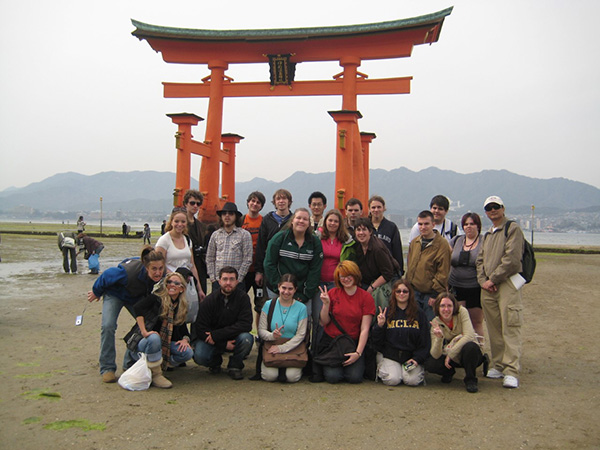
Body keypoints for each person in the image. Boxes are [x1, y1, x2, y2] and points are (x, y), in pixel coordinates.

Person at [87, 246, 166, 383]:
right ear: (146, 267)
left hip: (135, 297)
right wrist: (96, 291)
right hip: (115, 294)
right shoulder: (127, 273)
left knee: (147, 323)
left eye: (160, 268)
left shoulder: (161, 275)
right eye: (154, 269)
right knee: (108, 326)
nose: (158, 272)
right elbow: (107, 275)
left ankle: (129, 362)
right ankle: (107, 368)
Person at [476, 195, 525, 389]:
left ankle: (511, 370)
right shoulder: (488, 235)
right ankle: (497, 363)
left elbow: (512, 259)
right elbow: (480, 260)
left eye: (496, 206)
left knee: (510, 326)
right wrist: (483, 281)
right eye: (489, 208)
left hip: (506, 285)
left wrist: (493, 279)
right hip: (488, 288)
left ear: (503, 208)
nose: (492, 210)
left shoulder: (512, 229)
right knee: (494, 328)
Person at [126, 272, 193, 389]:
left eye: (176, 283)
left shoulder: (180, 306)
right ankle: (156, 374)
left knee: (187, 352)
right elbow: (138, 308)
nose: (172, 285)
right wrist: (144, 331)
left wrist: (185, 340)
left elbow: (183, 331)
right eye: (169, 282)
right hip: (145, 342)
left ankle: (159, 365)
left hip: (163, 346)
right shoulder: (156, 298)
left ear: (182, 288)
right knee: (154, 338)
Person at [313, 261, 375, 383]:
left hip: (352, 342)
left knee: (354, 378)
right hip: (332, 342)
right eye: (342, 277)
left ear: (356, 275)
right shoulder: (333, 293)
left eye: (349, 276)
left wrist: (358, 353)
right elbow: (324, 322)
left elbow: (364, 329)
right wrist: (326, 304)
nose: (346, 279)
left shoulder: (365, 297)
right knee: (333, 377)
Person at [191, 266, 254, 380]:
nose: (228, 283)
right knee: (200, 355)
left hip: (232, 338)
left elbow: (246, 324)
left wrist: (217, 335)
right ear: (219, 281)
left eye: (231, 279)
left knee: (247, 339)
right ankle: (215, 362)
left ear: (237, 281)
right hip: (213, 341)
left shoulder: (243, 298)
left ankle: (235, 366)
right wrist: (223, 344)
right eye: (225, 279)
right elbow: (200, 328)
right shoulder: (209, 301)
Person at [263, 208, 323, 316]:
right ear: (292, 221)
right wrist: (281, 288)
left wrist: (305, 293)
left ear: (309, 223)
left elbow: (315, 269)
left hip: (302, 293)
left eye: (305, 219)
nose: (301, 221)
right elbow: (269, 264)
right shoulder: (279, 238)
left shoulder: (314, 242)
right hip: (279, 290)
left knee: (303, 322)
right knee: (276, 321)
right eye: (298, 218)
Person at [371, 279, 430, 386]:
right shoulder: (387, 312)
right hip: (390, 355)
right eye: (398, 291)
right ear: (394, 293)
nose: (401, 294)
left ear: (410, 293)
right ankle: (386, 368)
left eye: (405, 291)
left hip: (411, 356)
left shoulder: (419, 313)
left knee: (412, 381)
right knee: (393, 380)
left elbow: (425, 340)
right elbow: (376, 341)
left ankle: (407, 371)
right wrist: (379, 326)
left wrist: (417, 359)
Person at [425, 292, 487, 393]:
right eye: (442, 306)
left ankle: (470, 379)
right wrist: (439, 338)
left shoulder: (462, 312)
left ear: (454, 306)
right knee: (430, 363)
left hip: (467, 352)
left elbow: (469, 335)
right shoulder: (435, 323)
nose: (446, 309)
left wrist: (451, 354)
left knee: (470, 347)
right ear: (437, 308)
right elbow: (435, 354)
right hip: (451, 353)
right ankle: (448, 372)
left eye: (449, 306)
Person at [257, 274, 308, 383]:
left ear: (295, 290)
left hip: (293, 347)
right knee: (269, 376)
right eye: (284, 288)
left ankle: (287, 368)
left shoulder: (301, 308)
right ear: (279, 286)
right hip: (272, 345)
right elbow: (261, 331)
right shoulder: (268, 305)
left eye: (290, 289)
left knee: (292, 377)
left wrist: (282, 348)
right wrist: (272, 335)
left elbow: (301, 335)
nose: (286, 292)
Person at [405, 210, 451, 321]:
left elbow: (443, 272)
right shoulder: (415, 242)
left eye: (426, 224)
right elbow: (410, 265)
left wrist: (435, 294)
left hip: (430, 294)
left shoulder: (442, 244)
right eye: (420, 224)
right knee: (414, 323)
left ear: (433, 224)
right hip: (414, 292)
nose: (423, 227)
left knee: (430, 325)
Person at [449, 212, 485, 342]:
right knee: (459, 320)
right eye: (466, 224)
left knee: (476, 322)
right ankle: (460, 349)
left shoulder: (484, 241)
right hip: (456, 285)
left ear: (478, 226)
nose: (469, 227)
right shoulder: (456, 240)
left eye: (472, 224)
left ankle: (479, 349)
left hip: (475, 287)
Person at [156, 207, 205, 300]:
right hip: (170, 285)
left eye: (183, 222)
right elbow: (159, 265)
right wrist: (175, 277)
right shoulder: (164, 240)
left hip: (186, 284)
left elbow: (192, 265)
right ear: (171, 222)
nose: (180, 224)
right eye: (176, 221)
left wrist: (199, 289)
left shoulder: (187, 240)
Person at [206, 202, 253, 292]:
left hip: (237, 282)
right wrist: (213, 278)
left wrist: (238, 279)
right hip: (218, 282)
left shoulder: (244, 235)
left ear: (236, 216)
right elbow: (210, 258)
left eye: (231, 214)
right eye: (224, 214)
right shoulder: (215, 235)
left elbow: (247, 259)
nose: (227, 216)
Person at [255, 189, 293, 293]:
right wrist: (259, 271)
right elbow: (261, 245)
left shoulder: (294, 220)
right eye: (278, 198)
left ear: (289, 201)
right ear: (274, 202)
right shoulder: (267, 219)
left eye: (284, 198)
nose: (281, 201)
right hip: (270, 265)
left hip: (288, 266)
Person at [353, 218, 400, 301]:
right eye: (358, 230)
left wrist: (371, 288)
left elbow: (388, 273)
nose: (361, 233)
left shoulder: (378, 248)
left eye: (364, 230)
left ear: (370, 232)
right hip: (368, 280)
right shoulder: (357, 246)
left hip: (386, 280)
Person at [242, 191, 266, 328]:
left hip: (258, 270)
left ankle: (260, 334)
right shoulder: (241, 221)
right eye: (252, 201)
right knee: (239, 301)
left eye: (258, 202)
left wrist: (260, 271)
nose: (254, 204)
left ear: (261, 206)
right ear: (248, 202)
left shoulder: (264, 222)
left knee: (260, 304)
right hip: (243, 271)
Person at [368, 195, 404, 275]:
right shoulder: (365, 225)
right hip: (369, 271)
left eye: (379, 207)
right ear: (369, 209)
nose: (376, 210)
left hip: (388, 270)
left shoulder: (391, 227)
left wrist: (400, 271)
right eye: (373, 207)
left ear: (384, 208)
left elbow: (397, 250)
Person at [183, 189, 209, 294]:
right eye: (192, 203)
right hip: (185, 263)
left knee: (201, 294)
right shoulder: (180, 224)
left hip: (200, 265)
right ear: (185, 204)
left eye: (198, 204)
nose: (195, 206)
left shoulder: (201, 226)